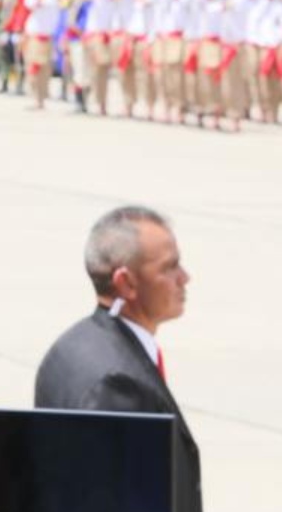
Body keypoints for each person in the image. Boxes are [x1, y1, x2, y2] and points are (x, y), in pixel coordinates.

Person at [33, 207, 201, 512]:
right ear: (126, 283)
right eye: (170, 267)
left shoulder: (71, 346)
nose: (185, 278)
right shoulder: (119, 386)